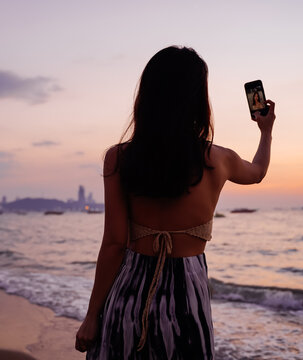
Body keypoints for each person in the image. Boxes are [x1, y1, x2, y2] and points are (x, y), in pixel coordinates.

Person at [75, 46, 276, 359]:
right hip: (188, 296)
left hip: (129, 292)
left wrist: (91, 317)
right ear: (198, 100)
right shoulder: (219, 159)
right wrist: (266, 131)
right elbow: (259, 172)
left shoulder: (120, 158)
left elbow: (114, 244)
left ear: (148, 96)